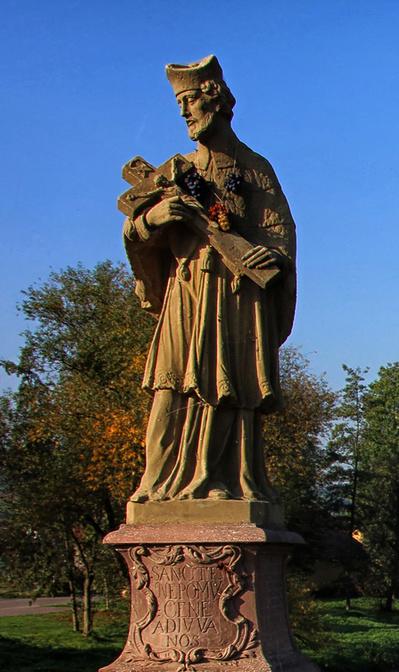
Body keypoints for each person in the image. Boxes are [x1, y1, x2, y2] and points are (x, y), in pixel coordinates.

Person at [123, 55, 295, 505]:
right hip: (188, 290)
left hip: (237, 295)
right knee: (171, 385)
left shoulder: (254, 168)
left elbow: (280, 233)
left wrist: (273, 255)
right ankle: (157, 484)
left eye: (190, 100)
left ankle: (222, 480)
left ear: (214, 99)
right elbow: (134, 228)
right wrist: (153, 219)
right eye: (179, 103)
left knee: (228, 387)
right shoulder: (172, 173)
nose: (184, 112)